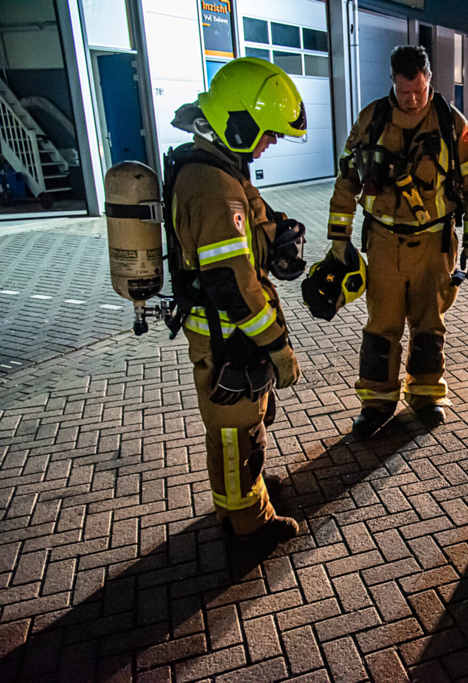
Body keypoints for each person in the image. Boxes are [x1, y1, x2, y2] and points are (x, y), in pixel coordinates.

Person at [167, 57, 307, 546]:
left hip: (228, 329)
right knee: (236, 434)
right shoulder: (212, 185)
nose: (271, 143)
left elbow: (248, 238)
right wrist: (277, 346)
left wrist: (277, 235)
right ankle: (249, 522)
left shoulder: (219, 170)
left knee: (237, 429)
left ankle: (239, 504)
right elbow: (233, 283)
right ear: (240, 120)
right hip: (230, 333)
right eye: (267, 133)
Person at [324, 46, 468, 437]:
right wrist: (338, 238)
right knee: (381, 326)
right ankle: (377, 402)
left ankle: (426, 395)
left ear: (428, 78)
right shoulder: (372, 119)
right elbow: (347, 180)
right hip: (382, 240)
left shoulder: (452, 122)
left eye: (418, 91)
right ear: (393, 83)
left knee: (429, 324)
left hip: (434, 243)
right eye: (404, 93)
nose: (412, 100)